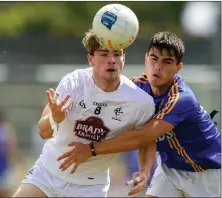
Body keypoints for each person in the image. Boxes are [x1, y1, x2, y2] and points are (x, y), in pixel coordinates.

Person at [57, 31, 221, 197]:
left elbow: (143, 136)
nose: (157, 67)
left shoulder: (182, 99)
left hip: (207, 172)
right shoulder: (136, 89)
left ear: (178, 67)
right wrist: (144, 171)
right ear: (146, 59)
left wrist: (91, 149)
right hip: (170, 169)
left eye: (167, 62)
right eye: (154, 58)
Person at [13, 29, 156, 197]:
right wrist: (55, 118)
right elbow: (43, 132)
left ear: (124, 58)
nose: (111, 60)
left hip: (90, 186)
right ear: (91, 59)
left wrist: (145, 171)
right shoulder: (73, 83)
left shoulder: (141, 102)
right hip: (47, 174)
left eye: (117, 54)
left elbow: (147, 138)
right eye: (103, 54)